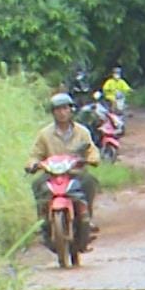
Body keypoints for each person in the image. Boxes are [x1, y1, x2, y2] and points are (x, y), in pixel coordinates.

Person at [26, 92, 101, 240]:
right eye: (57, 109)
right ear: (53, 112)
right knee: (37, 185)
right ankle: (42, 220)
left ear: (71, 110)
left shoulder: (82, 132)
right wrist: (32, 164)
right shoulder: (44, 134)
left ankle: (87, 217)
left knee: (90, 182)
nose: (62, 113)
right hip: (52, 174)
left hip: (75, 173)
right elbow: (35, 154)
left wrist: (91, 159)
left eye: (65, 108)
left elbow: (92, 150)